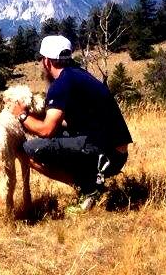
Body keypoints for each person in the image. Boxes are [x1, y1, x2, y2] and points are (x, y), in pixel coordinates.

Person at [11, 35, 132, 211]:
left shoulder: (61, 84)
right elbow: (70, 121)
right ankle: (90, 183)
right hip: (116, 152)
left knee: (26, 151)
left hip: (104, 155)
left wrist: (22, 116)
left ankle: (88, 189)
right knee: (59, 138)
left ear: (46, 62)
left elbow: (46, 130)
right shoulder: (78, 75)